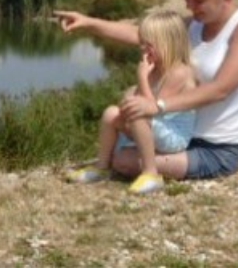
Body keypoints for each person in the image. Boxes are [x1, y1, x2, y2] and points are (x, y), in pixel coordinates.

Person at [54, 0, 238, 183]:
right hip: (182, 137)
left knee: (125, 162)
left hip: (218, 148)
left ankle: (151, 173)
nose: (190, 6)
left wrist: (157, 106)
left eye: (198, 0)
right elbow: (143, 34)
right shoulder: (195, 24)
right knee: (119, 154)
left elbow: (220, 90)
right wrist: (89, 23)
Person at [66, 10, 197, 194]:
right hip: (155, 127)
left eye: (148, 45)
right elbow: (136, 99)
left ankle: (151, 173)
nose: (143, 49)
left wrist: (142, 78)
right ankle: (102, 166)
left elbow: (152, 109)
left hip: (173, 135)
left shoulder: (179, 73)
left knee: (138, 113)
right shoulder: (155, 70)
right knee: (111, 113)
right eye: (141, 43)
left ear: (167, 44)